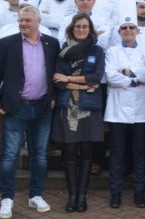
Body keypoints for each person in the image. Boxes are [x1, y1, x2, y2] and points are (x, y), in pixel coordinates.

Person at [0, 6, 59, 219]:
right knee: (9, 156)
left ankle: (35, 195)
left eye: (28, 20)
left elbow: (56, 72)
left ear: (38, 21)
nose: (23, 24)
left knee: (39, 156)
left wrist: (53, 97)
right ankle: (7, 198)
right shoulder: (7, 43)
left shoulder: (52, 43)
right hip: (15, 107)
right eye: (20, 20)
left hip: (42, 108)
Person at [50, 13, 104, 213]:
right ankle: (72, 195)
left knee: (87, 152)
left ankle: (83, 195)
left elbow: (97, 77)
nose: (81, 30)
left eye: (85, 26)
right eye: (78, 27)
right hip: (68, 106)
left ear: (90, 29)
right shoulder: (63, 51)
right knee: (70, 152)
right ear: (72, 29)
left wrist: (71, 80)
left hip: (89, 107)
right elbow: (58, 80)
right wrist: (84, 83)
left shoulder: (97, 51)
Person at [104, 0, 145, 209]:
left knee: (140, 153)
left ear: (138, 31)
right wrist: (135, 80)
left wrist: (127, 74)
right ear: (119, 32)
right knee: (117, 153)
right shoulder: (112, 52)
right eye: (124, 28)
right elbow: (109, 76)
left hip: (142, 111)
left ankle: (139, 193)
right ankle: (115, 193)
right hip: (116, 112)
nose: (127, 31)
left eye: (131, 27)